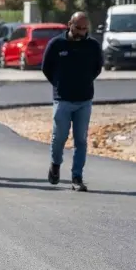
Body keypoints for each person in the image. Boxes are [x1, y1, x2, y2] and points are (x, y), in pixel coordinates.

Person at [41, 11, 103, 192]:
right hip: (63, 99)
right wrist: (59, 84)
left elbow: (97, 68)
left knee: (81, 140)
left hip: (84, 100)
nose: (81, 32)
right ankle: (55, 164)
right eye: (78, 28)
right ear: (70, 24)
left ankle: (77, 177)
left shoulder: (92, 46)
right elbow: (46, 68)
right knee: (59, 137)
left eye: (85, 29)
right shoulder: (56, 44)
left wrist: (84, 81)